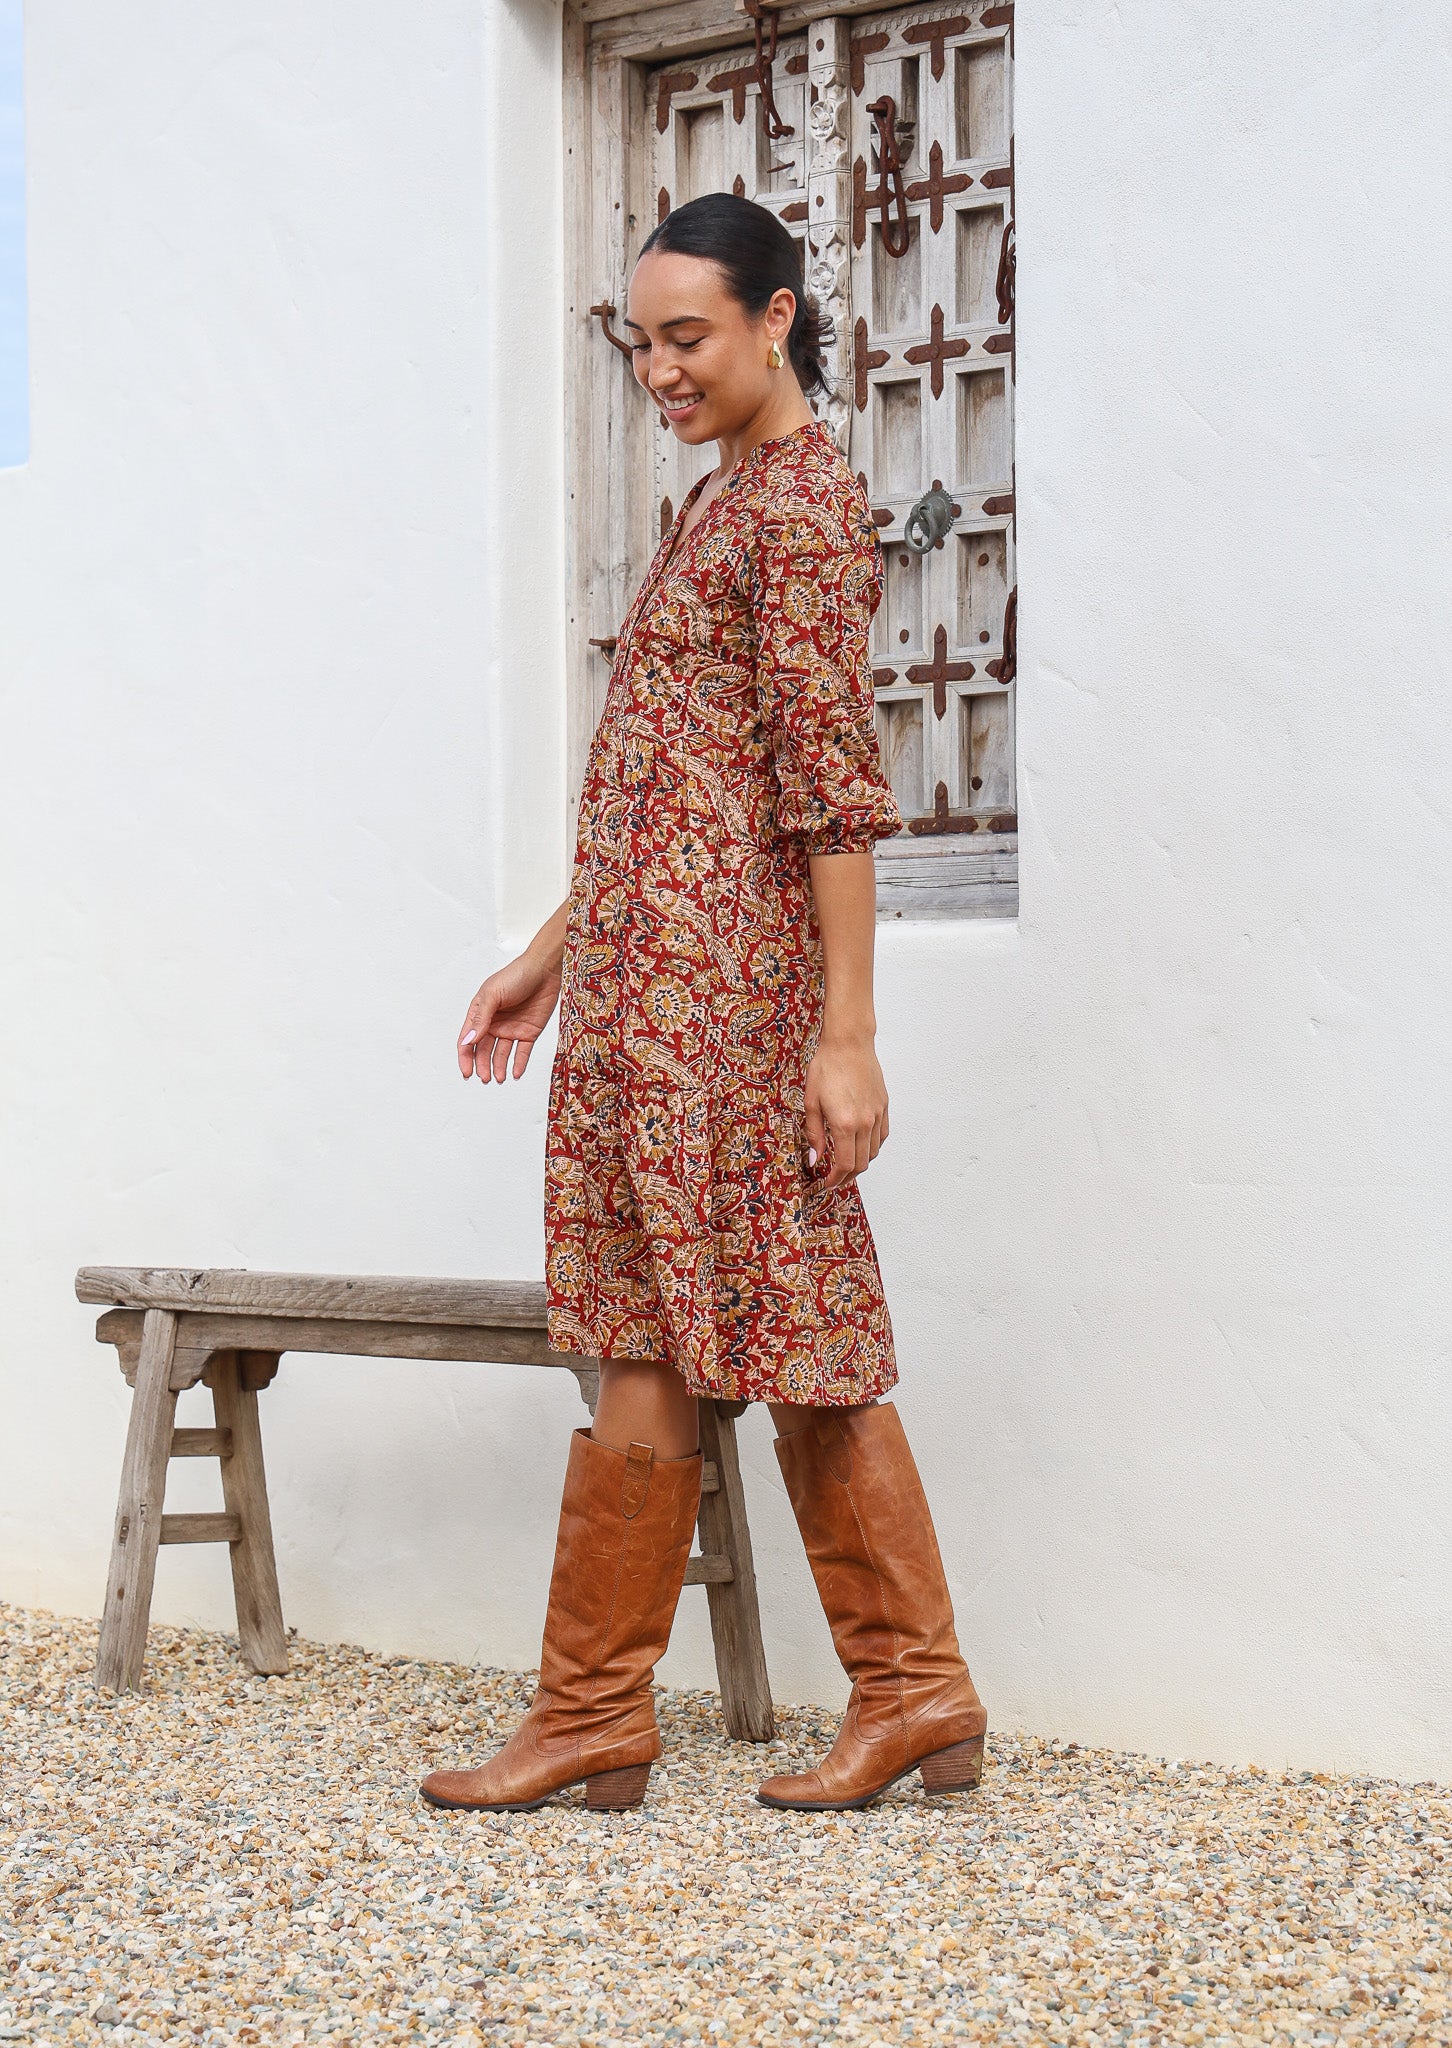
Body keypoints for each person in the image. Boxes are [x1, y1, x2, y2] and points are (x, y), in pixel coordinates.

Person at [419, 193, 986, 1816]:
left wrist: (849, 1033)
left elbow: (828, 796)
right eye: (642, 340)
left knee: (783, 1325)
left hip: (732, 1012)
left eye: (690, 336)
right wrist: (556, 944)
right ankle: (655, 1712)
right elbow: (677, 788)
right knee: (660, 1325)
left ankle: (883, 1691)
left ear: (777, 319)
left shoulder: (799, 510)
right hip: (649, 997)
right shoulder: (715, 505)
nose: (660, 368)